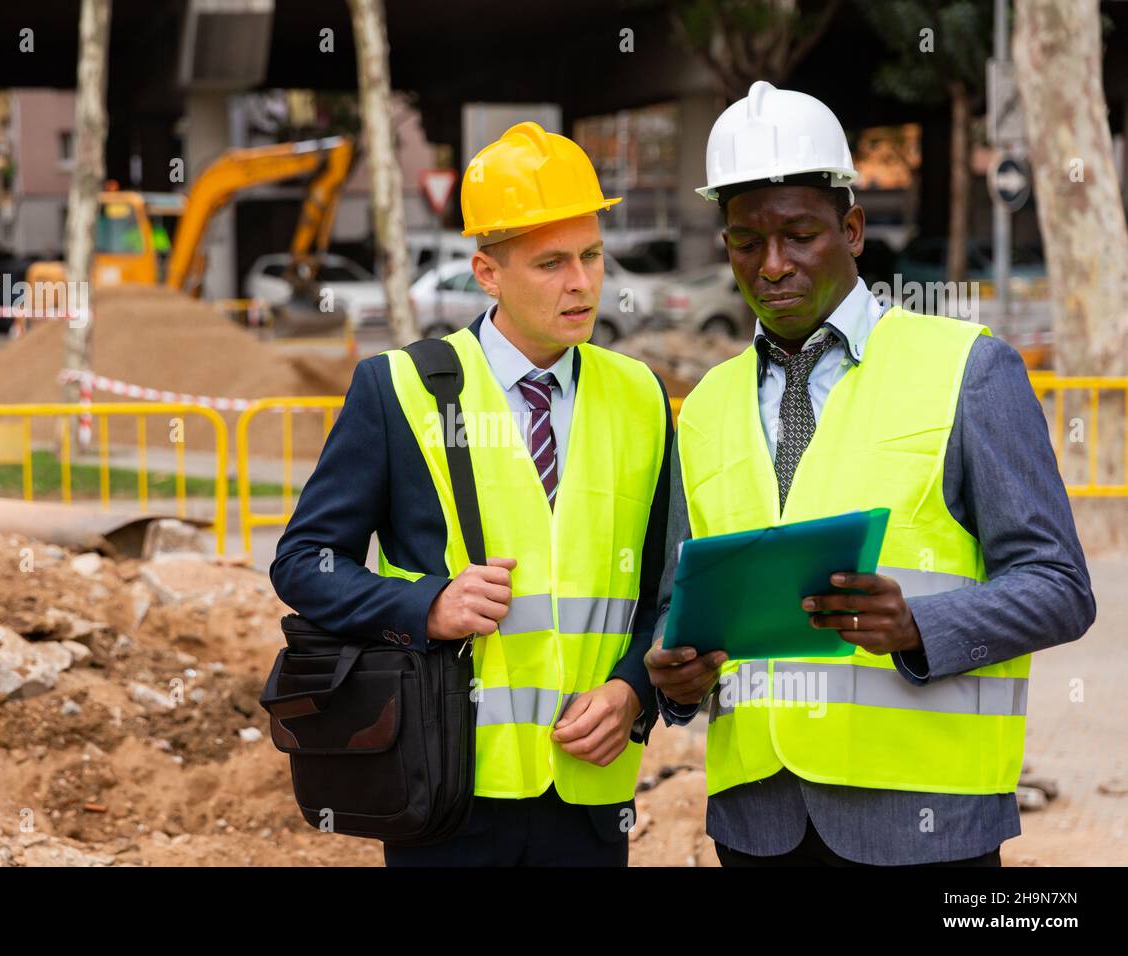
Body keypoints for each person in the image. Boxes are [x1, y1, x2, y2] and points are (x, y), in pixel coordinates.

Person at [644, 81, 1095, 867]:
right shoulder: (707, 405)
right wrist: (673, 674)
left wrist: (920, 626)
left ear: (852, 230)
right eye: (747, 241)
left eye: (799, 234)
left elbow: (1060, 585)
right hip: (757, 826)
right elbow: (681, 601)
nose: (773, 264)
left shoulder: (967, 369)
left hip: (924, 824)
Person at [271, 122, 673, 866]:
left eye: (590, 256)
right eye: (550, 263)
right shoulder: (398, 390)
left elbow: (668, 588)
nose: (581, 283)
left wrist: (633, 694)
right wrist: (425, 606)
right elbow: (303, 561)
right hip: (446, 789)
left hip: (590, 799)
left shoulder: (641, 396)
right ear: (487, 273)